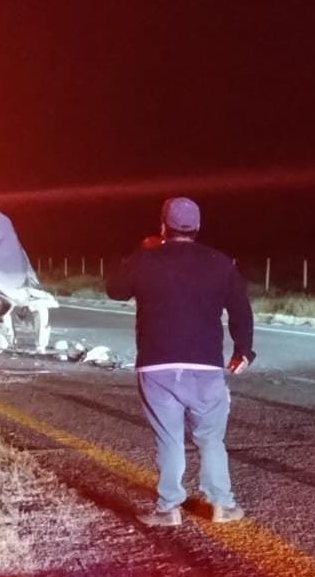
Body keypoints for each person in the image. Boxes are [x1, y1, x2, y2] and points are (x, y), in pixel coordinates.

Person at [106, 197, 255, 527]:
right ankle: (222, 504)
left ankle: (168, 508)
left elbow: (115, 289)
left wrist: (141, 250)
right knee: (210, 438)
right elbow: (241, 309)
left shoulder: (146, 260)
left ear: (163, 226)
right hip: (205, 365)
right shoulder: (220, 262)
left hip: (156, 365)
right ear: (197, 227)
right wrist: (243, 350)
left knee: (169, 439)